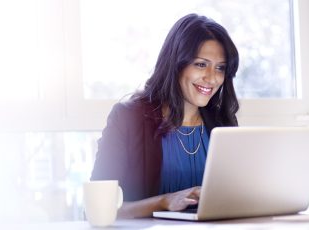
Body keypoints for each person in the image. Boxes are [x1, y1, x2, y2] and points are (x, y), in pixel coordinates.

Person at [90, 13, 239, 219]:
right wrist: (164, 201)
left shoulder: (222, 123)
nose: (212, 78)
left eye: (220, 68)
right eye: (201, 64)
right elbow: (97, 209)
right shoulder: (128, 118)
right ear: (176, 63)